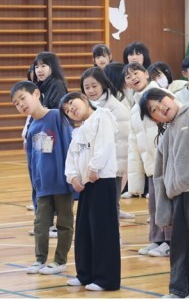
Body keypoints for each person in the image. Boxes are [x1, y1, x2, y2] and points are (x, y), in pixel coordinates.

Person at [140, 87, 189, 299]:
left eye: (160, 101)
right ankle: (178, 290)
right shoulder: (167, 134)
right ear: (154, 119)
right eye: (153, 110)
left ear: (170, 97)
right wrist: (163, 209)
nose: (160, 108)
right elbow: (159, 176)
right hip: (179, 197)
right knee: (179, 245)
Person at [10, 81, 73, 275]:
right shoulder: (31, 128)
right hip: (43, 186)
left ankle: (60, 261)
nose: (21, 104)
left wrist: (71, 178)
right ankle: (40, 259)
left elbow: (69, 146)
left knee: (64, 223)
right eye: (16, 103)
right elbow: (32, 162)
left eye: (23, 98)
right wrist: (35, 186)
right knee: (40, 224)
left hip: (61, 184)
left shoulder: (56, 116)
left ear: (36, 94)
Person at [61, 91, 120, 291]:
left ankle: (106, 279)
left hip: (102, 180)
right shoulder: (78, 130)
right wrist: (72, 177)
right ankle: (84, 274)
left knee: (103, 231)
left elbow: (105, 144)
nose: (71, 109)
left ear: (85, 99)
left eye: (72, 103)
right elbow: (71, 156)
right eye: (67, 110)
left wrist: (94, 168)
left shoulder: (102, 116)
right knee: (85, 231)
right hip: (86, 184)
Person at [125, 63, 173, 256]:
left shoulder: (161, 94)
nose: (133, 78)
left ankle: (170, 242)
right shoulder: (134, 108)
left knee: (166, 204)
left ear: (146, 74)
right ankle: (157, 239)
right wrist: (135, 180)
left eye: (135, 73)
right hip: (151, 164)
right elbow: (133, 143)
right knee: (154, 204)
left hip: (167, 160)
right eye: (128, 77)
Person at [80, 67, 132, 220]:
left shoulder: (116, 108)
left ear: (103, 84)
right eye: (86, 87)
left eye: (94, 86)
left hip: (110, 169)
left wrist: (104, 166)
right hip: (91, 168)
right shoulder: (87, 107)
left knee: (110, 206)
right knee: (95, 208)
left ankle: (113, 234)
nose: (91, 90)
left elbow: (121, 143)